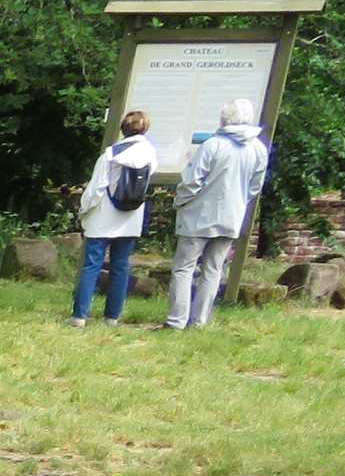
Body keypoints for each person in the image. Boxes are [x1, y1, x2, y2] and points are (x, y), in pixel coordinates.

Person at [164, 98, 270, 331]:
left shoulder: (212, 145)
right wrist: (238, 203)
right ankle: (199, 321)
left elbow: (192, 181)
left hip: (198, 216)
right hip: (231, 217)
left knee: (184, 268)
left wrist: (179, 202)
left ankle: (176, 320)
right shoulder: (259, 149)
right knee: (213, 270)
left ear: (224, 119)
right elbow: (255, 187)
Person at [70, 109, 157, 326]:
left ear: (123, 129)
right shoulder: (151, 154)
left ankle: (80, 315)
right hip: (130, 219)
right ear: (145, 129)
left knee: (91, 265)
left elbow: (96, 189)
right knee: (121, 266)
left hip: (103, 218)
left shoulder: (110, 154)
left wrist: (83, 211)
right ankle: (112, 317)